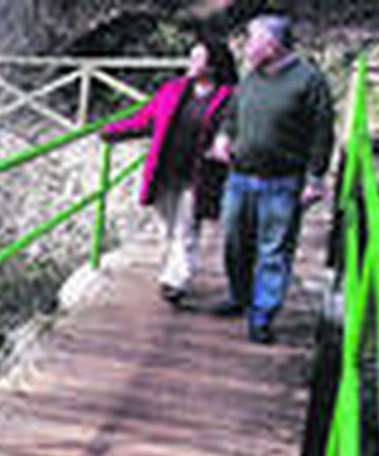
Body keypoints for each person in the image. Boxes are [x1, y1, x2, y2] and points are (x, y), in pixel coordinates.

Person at [209, 14, 334, 343]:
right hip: (239, 177)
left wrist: (315, 179)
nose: (246, 47)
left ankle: (262, 315)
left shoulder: (309, 80)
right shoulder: (252, 77)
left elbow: (322, 134)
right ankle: (239, 297)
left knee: (273, 251)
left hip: (281, 182)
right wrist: (223, 137)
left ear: (272, 45)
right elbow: (232, 115)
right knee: (234, 244)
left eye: (251, 40)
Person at [102, 36, 238, 306]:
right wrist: (112, 131)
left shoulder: (229, 97)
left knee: (186, 228)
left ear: (213, 65)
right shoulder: (173, 89)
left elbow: (235, 130)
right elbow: (146, 118)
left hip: (199, 175)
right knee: (168, 227)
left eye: (198, 58)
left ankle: (176, 280)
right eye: (192, 56)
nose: (191, 62)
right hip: (165, 170)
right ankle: (173, 268)